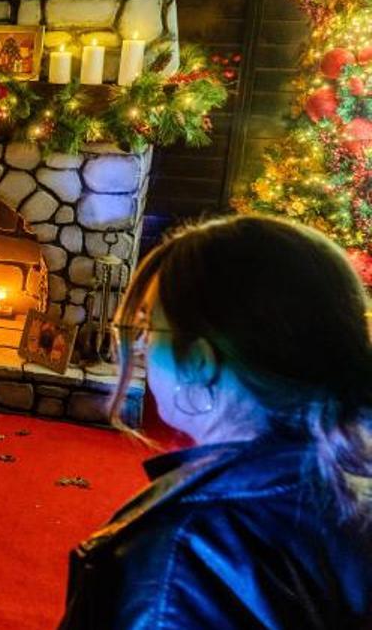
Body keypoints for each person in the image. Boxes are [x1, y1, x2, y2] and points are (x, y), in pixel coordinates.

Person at [60, 215, 372, 629]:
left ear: (200, 361)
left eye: (150, 327)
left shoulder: (184, 554)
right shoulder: (348, 480)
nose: (139, 346)